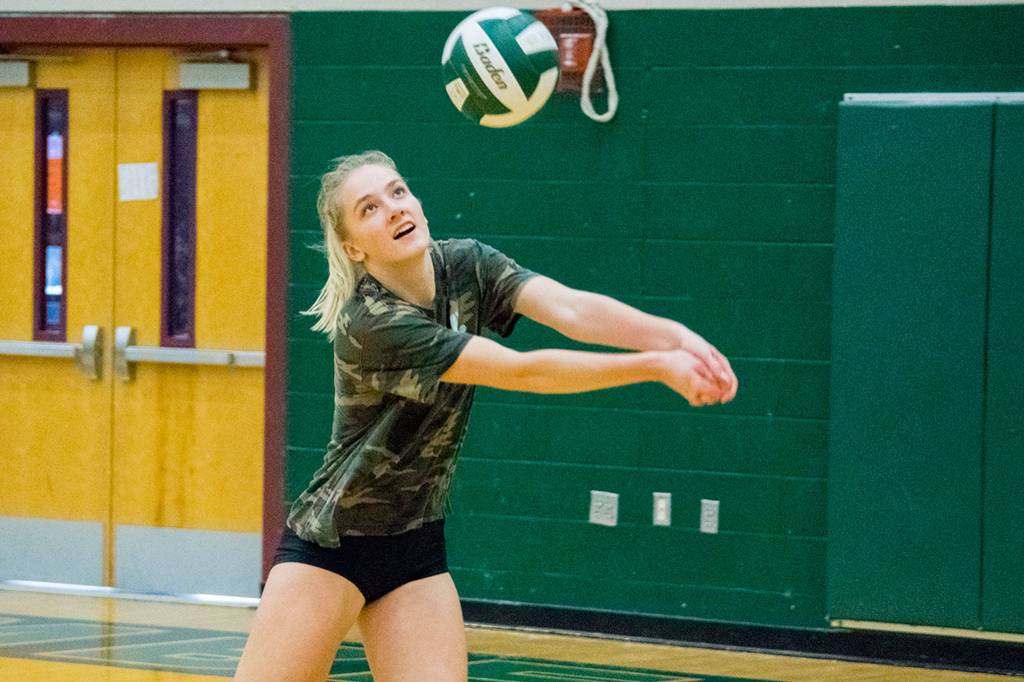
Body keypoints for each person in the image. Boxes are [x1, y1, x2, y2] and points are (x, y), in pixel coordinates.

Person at [233, 150, 738, 682]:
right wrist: (657, 366)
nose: (394, 209)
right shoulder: (373, 324)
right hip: (333, 544)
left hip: (413, 545)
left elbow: (570, 309)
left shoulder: (467, 265)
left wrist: (677, 337)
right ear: (354, 247)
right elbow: (523, 372)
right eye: (369, 208)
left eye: (398, 192)